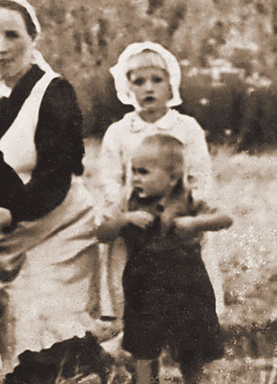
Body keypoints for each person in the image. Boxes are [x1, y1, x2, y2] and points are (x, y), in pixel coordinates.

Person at [0, 0, 101, 374]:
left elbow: (58, 175)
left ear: (33, 39)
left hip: (59, 228)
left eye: (12, 35)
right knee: (6, 339)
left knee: (48, 331)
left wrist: (9, 210)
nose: (1, 47)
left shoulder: (54, 93)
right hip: (3, 238)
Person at [98, 42, 224, 326]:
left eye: (157, 80)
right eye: (138, 81)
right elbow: (109, 178)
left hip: (178, 226)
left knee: (187, 298)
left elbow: (200, 174)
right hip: (136, 228)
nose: (148, 88)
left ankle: (188, 344)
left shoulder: (186, 128)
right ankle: (140, 352)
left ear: (171, 84)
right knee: (136, 299)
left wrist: (186, 211)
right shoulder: (119, 132)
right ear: (127, 87)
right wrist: (124, 210)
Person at [97, 134, 231, 384]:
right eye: (133, 171)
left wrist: (195, 222)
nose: (135, 178)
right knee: (143, 350)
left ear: (172, 178)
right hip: (144, 291)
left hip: (189, 289)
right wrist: (125, 220)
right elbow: (102, 233)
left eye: (143, 172)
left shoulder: (190, 202)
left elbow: (225, 218)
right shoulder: (128, 204)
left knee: (193, 351)